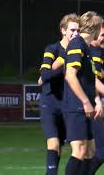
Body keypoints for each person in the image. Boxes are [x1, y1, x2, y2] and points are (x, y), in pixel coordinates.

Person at [62, 11, 104, 175]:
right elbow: (70, 75)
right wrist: (86, 102)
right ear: (96, 29)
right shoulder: (77, 44)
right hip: (75, 106)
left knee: (90, 152)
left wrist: (96, 100)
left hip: (85, 107)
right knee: (79, 150)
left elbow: (88, 80)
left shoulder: (86, 48)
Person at [38, 13, 79, 175]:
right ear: (63, 30)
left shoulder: (79, 51)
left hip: (67, 104)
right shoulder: (52, 49)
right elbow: (44, 76)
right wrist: (64, 60)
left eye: (78, 30)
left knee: (61, 148)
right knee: (53, 144)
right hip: (50, 103)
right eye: (72, 30)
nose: (75, 33)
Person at [88, 18, 104, 175]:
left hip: (83, 106)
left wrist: (102, 72)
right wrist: (97, 101)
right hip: (91, 107)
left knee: (85, 153)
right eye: (103, 34)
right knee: (101, 152)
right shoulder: (95, 52)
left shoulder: (92, 51)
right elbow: (93, 79)